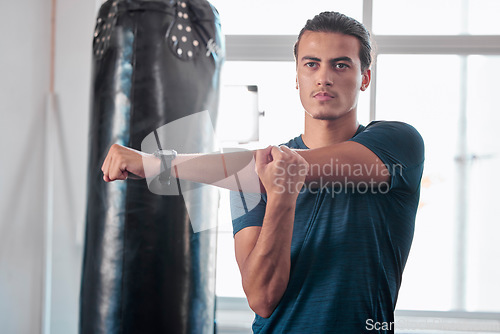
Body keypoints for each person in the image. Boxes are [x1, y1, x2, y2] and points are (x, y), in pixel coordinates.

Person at [102, 11, 424, 333]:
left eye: (340, 65)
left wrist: (158, 163)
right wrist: (281, 199)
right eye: (311, 64)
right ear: (297, 76)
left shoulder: (398, 143)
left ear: (365, 78)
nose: (323, 77)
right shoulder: (244, 177)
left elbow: (285, 165)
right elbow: (262, 298)